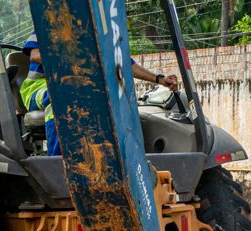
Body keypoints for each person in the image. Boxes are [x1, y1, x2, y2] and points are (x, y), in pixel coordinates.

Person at [20, 39, 182, 156]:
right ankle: (57, 162)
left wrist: (160, 79)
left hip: (78, 87)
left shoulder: (95, 31)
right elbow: (35, 55)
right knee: (61, 94)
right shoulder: (49, 22)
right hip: (41, 88)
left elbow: (124, 63)